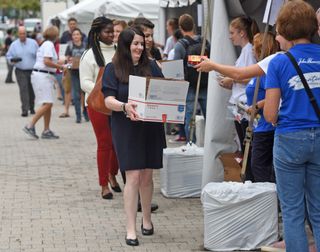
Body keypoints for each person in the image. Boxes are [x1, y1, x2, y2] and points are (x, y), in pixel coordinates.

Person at [263, 1, 320, 251]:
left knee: (293, 212)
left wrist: (276, 119)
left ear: (284, 28)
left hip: (290, 138)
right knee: (318, 209)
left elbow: (270, 113)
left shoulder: (279, 62)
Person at [103, 26, 166, 246]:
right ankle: (131, 229)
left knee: (147, 176)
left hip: (150, 127)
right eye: (135, 43)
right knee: (133, 177)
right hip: (126, 127)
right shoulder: (113, 68)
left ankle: (146, 220)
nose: (139, 47)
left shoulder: (152, 67)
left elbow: (165, 92)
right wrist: (123, 106)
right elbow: (107, 99)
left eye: (142, 43)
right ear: (125, 45)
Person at [79, 17, 120, 199]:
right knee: (105, 143)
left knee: (118, 144)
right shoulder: (89, 55)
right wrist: (103, 91)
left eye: (113, 31)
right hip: (97, 105)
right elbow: (84, 82)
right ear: (97, 34)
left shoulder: (120, 51)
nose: (112, 34)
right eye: (108, 32)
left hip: (118, 104)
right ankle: (103, 184)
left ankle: (113, 174)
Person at [244, 32, 279, 182]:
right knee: (257, 166)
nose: (251, 49)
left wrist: (257, 105)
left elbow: (276, 93)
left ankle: (268, 199)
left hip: (266, 127)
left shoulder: (267, 70)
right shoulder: (259, 69)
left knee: (259, 166)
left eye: (254, 46)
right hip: (259, 126)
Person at [23, 26, 65, 139]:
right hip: (43, 75)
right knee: (48, 103)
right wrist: (60, 67)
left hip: (44, 75)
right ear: (55, 35)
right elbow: (46, 61)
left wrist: (60, 63)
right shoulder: (49, 45)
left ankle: (46, 130)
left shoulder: (46, 44)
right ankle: (30, 125)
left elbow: (48, 60)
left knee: (47, 103)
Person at [173, 14, 209, 142]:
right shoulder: (205, 41)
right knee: (208, 116)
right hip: (205, 84)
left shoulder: (180, 45)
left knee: (189, 118)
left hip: (189, 87)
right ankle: (210, 144)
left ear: (180, 27)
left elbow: (175, 69)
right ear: (193, 25)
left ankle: (191, 145)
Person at [6, 26, 38, 117]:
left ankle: (31, 107)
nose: (22, 35)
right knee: (23, 89)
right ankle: (25, 109)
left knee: (31, 90)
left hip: (32, 70)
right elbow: (8, 56)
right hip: (20, 70)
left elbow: (38, 55)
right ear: (18, 34)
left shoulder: (33, 43)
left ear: (26, 34)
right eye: (20, 34)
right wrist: (12, 60)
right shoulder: (14, 45)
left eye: (24, 33)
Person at [64, 28, 87, 123]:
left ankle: (86, 114)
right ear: (72, 37)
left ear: (81, 36)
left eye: (77, 34)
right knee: (76, 95)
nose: (76, 36)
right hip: (74, 72)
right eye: (74, 35)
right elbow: (66, 59)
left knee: (86, 95)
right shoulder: (69, 46)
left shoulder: (86, 45)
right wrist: (69, 61)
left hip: (85, 72)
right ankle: (78, 116)